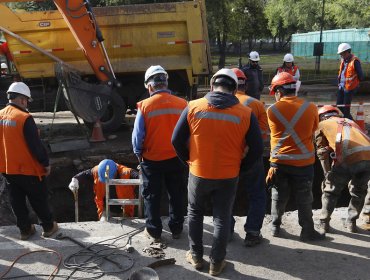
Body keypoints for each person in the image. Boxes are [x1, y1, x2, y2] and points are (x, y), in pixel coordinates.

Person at [172, 69, 263, 276]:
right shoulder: (245, 113)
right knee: (221, 217)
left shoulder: (193, 106)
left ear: (212, 86)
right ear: (233, 90)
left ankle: (195, 256)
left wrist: (188, 160)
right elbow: (257, 149)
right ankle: (216, 262)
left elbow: (176, 140)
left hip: (198, 173)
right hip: (228, 175)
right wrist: (242, 167)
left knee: (194, 213)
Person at [266, 72, 325, 242]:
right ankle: (307, 231)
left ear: (279, 91)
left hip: (279, 163)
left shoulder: (272, 110)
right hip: (304, 163)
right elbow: (314, 129)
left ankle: (275, 227)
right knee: (305, 197)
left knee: (278, 195)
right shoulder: (311, 107)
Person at [132, 65, 187, 242]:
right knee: (177, 195)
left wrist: (138, 153)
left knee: (152, 196)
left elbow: (137, 137)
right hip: (176, 158)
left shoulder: (145, 106)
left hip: (152, 160)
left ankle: (154, 232)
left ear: (149, 86)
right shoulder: (183, 104)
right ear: (165, 82)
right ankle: (177, 228)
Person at [0, 82, 58, 240]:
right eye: (26, 100)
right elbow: (36, 146)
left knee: (16, 200)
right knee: (38, 198)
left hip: (8, 169)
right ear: (22, 99)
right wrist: (45, 164)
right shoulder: (24, 118)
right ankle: (48, 227)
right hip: (28, 169)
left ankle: (25, 230)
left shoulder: (0, 115)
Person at [315, 105, 370, 233]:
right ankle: (351, 222)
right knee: (359, 191)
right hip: (368, 156)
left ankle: (324, 222)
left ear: (321, 117)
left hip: (348, 156)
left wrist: (327, 173)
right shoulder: (350, 122)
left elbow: (322, 152)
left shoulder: (322, 125)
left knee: (331, 191)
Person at [230, 68, 268, 246]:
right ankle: (252, 233)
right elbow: (262, 135)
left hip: (229, 157)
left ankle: (226, 231)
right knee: (257, 194)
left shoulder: (221, 103)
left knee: (225, 194)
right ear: (245, 84)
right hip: (252, 156)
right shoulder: (257, 105)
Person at [68, 159, 138, 221]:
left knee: (126, 225)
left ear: (115, 172)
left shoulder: (126, 172)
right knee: (103, 223)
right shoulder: (97, 170)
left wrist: (143, 177)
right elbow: (84, 174)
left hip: (125, 209)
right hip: (106, 208)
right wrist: (75, 180)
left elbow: (138, 176)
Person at [336, 43, 364, 120]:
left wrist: (355, 84)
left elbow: (361, 76)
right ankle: (350, 119)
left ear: (347, 52)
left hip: (350, 88)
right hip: (341, 86)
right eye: (340, 54)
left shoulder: (355, 61)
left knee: (346, 108)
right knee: (339, 104)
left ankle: (348, 122)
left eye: (342, 53)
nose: (341, 55)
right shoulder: (343, 60)